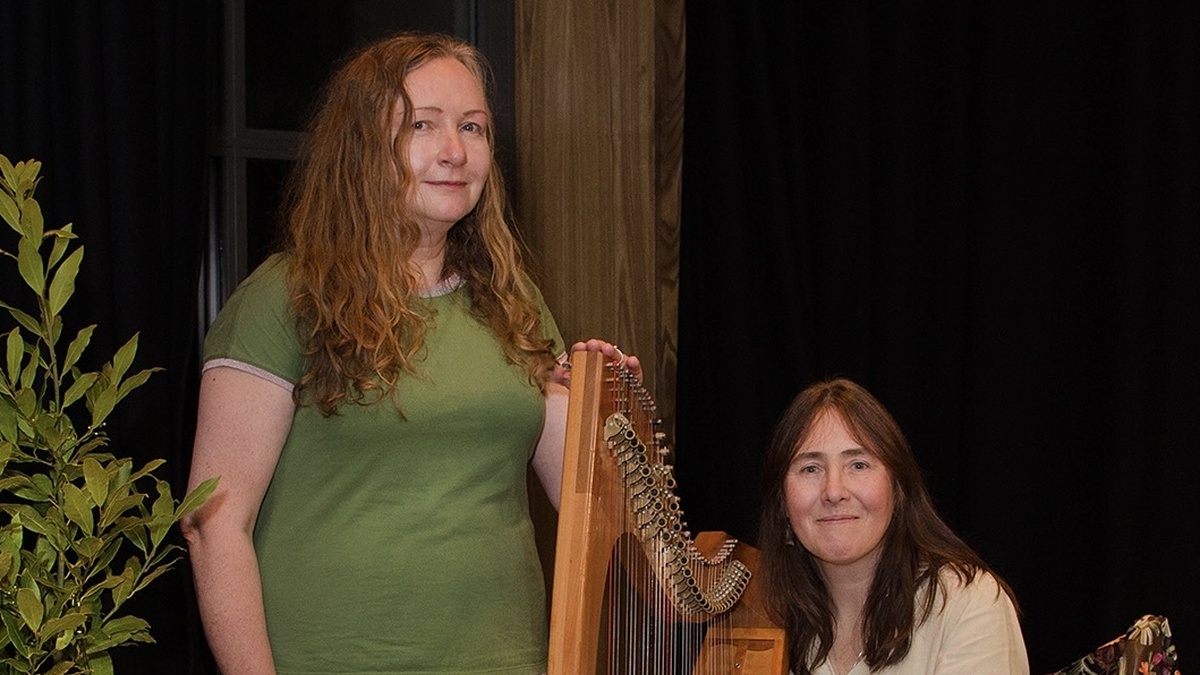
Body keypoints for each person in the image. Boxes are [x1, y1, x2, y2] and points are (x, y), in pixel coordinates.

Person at [181, 31, 638, 675]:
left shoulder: (513, 301)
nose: (455, 151)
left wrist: (610, 408)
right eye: (422, 125)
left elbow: (594, 507)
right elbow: (212, 523)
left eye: (473, 128)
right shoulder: (282, 298)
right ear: (362, 148)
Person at [756, 378, 1028, 675]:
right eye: (810, 468)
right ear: (781, 498)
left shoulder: (968, 604)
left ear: (897, 487)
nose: (834, 491)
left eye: (858, 465)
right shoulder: (764, 620)